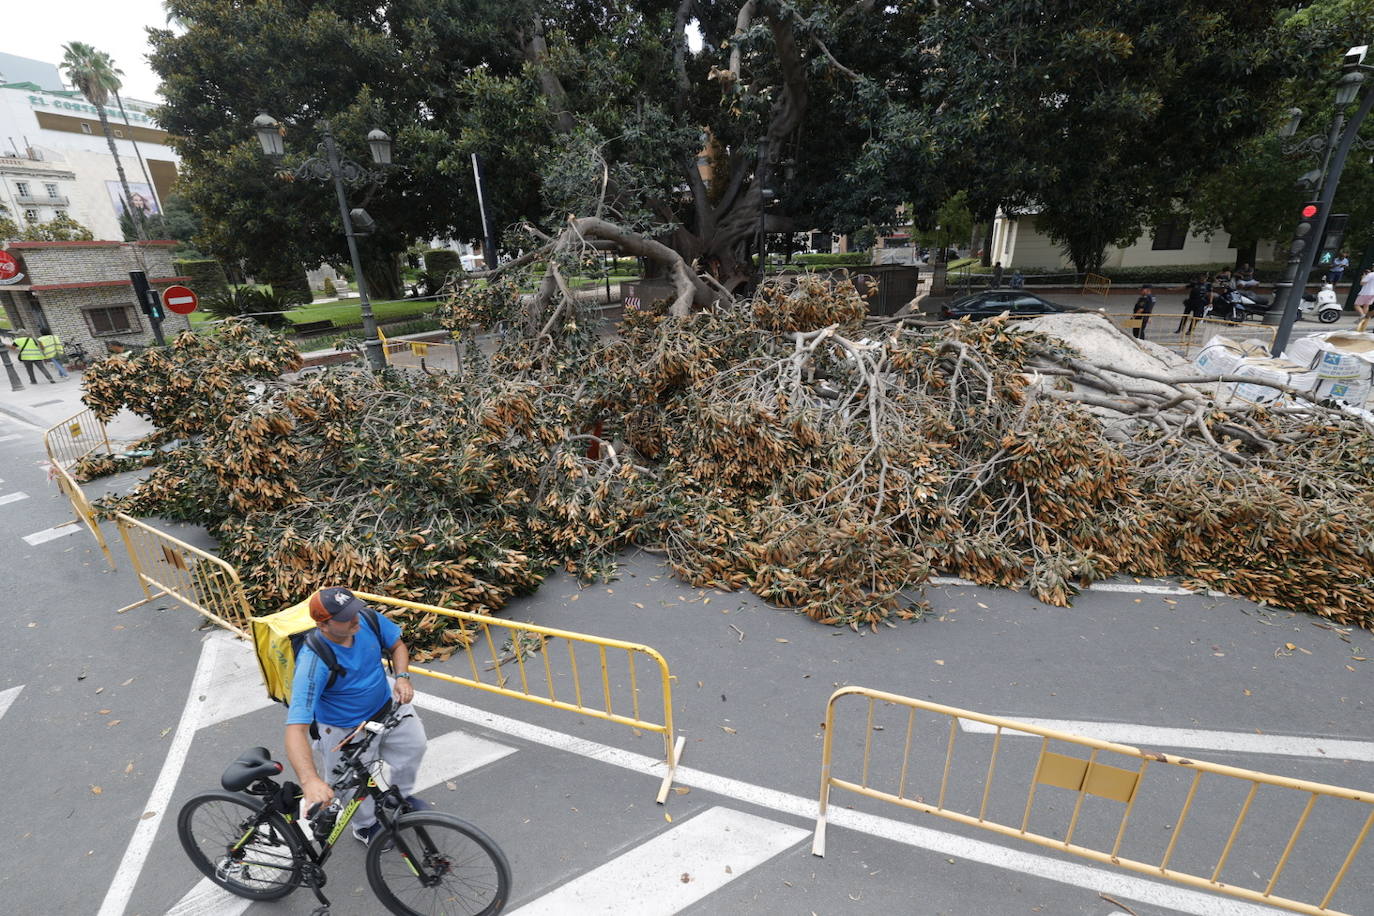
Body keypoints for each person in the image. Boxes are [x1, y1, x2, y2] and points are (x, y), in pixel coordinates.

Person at [285, 587, 427, 847]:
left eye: (355, 611)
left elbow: (397, 646)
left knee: (414, 747)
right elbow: (295, 729)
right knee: (351, 786)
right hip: (344, 729)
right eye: (345, 617)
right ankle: (366, 826)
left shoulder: (367, 620)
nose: (355, 619)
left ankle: (399, 797)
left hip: (387, 705)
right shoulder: (313, 662)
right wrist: (310, 781)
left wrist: (403, 677)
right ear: (323, 624)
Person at [1356, 267, 1374, 331]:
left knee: (1356, 305)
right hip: (1372, 294)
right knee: (1366, 305)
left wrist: (1363, 277)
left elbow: (1362, 283)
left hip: (1365, 293)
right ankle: (1364, 319)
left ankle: (1362, 316)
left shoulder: (1370, 274)